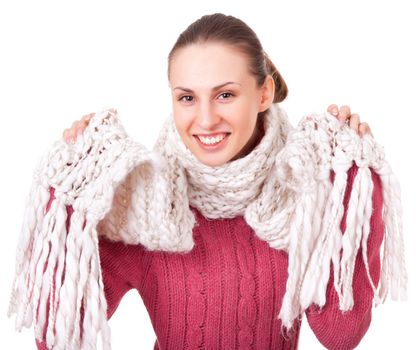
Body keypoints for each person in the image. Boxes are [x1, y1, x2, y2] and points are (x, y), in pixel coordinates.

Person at [8, 13, 406, 350]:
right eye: (187, 98)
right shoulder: (145, 205)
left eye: (225, 95)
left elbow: (341, 334)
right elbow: (56, 336)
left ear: (264, 92)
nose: (205, 120)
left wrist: (353, 179)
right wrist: (68, 198)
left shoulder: (307, 190)